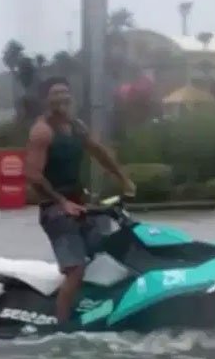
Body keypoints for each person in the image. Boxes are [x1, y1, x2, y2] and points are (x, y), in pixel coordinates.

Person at [24, 76, 135, 328]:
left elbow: (99, 151)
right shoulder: (42, 131)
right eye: (55, 93)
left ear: (71, 97)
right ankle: (61, 330)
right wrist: (62, 202)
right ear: (47, 99)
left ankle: (100, 309)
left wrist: (123, 178)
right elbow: (31, 174)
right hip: (55, 211)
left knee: (108, 253)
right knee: (76, 270)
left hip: (81, 207)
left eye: (65, 92)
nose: (61, 97)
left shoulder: (76, 127)